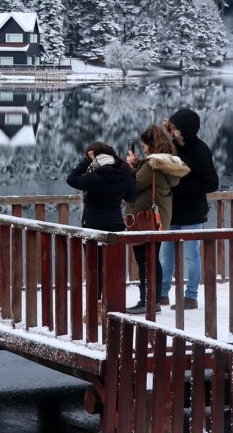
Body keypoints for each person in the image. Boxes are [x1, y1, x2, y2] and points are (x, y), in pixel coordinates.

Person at [66, 142, 137, 321]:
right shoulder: (124, 172)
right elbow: (131, 196)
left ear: (94, 156)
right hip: (116, 226)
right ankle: (114, 307)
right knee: (113, 270)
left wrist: (85, 161)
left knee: (94, 270)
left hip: (93, 227)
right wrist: (132, 175)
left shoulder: (95, 176)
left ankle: (95, 310)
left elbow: (72, 179)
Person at [125, 125, 190, 315]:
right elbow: (148, 180)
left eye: (145, 145)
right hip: (159, 219)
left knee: (145, 261)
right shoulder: (163, 163)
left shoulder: (151, 164)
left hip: (145, 219)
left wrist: (128, 169)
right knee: (152, 259)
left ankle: (147, 301)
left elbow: (134, 186)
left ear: (152, 145)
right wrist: (138, 164)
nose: (143, 149)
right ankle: (154, 300)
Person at [160, 108, 219, 310]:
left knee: (191, 255)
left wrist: (182, 187)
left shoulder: (201, 150)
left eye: (175, 128)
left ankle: (191, 296)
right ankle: (162, 294)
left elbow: (212, 183)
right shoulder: (170, 147)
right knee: (165, 253)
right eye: (170, 128)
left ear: (185, 129)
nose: (172, 132)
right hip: (171, 210)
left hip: (193, 212)